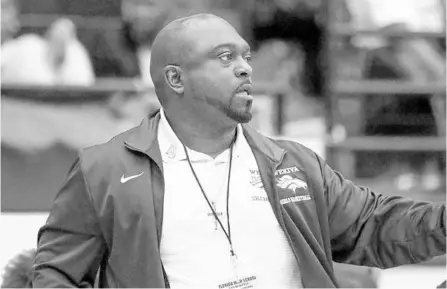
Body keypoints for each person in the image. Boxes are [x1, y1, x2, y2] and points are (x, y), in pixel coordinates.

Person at [33, 13, 446, 288]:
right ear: (175, 79)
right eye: (224, 57)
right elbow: (56, 276)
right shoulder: (103, 168)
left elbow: (373, 227)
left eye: (246, 56)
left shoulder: (294, 164)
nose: (246, 67)